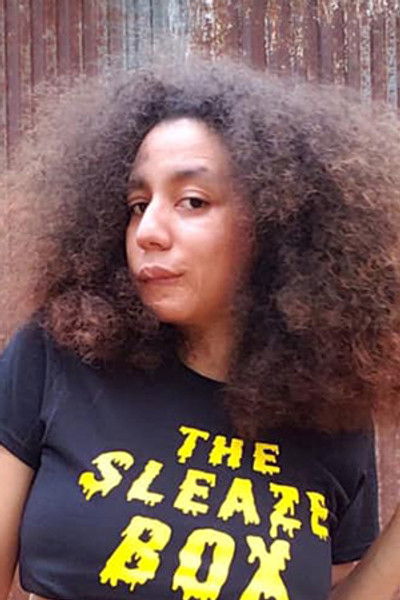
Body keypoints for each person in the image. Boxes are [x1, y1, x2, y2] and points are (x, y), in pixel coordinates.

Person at [1, 58, 400, 600]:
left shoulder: (332, 416)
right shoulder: (57, 357)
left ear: (276, 222)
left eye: (192, 201)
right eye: (137, 204)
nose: (148, 231)